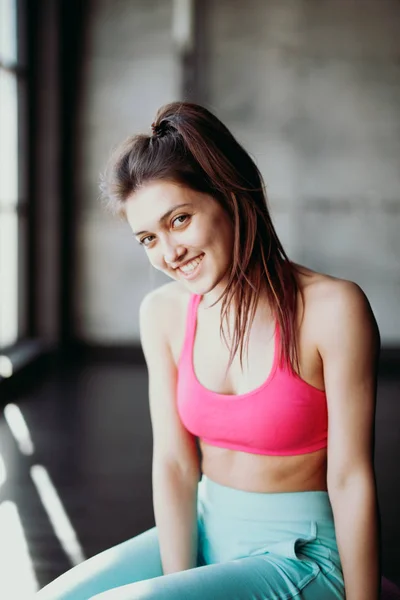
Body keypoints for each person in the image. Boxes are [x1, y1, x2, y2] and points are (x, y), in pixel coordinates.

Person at [35, 102, 381, 600]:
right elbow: (175, 463)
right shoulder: (163, 313)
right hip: (204, 529)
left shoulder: (332, 308)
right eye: (148, 238)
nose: (168, 253)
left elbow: (351, 478)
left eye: (179, 220)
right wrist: (179, 580)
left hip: (301, 555)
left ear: (229, 195)